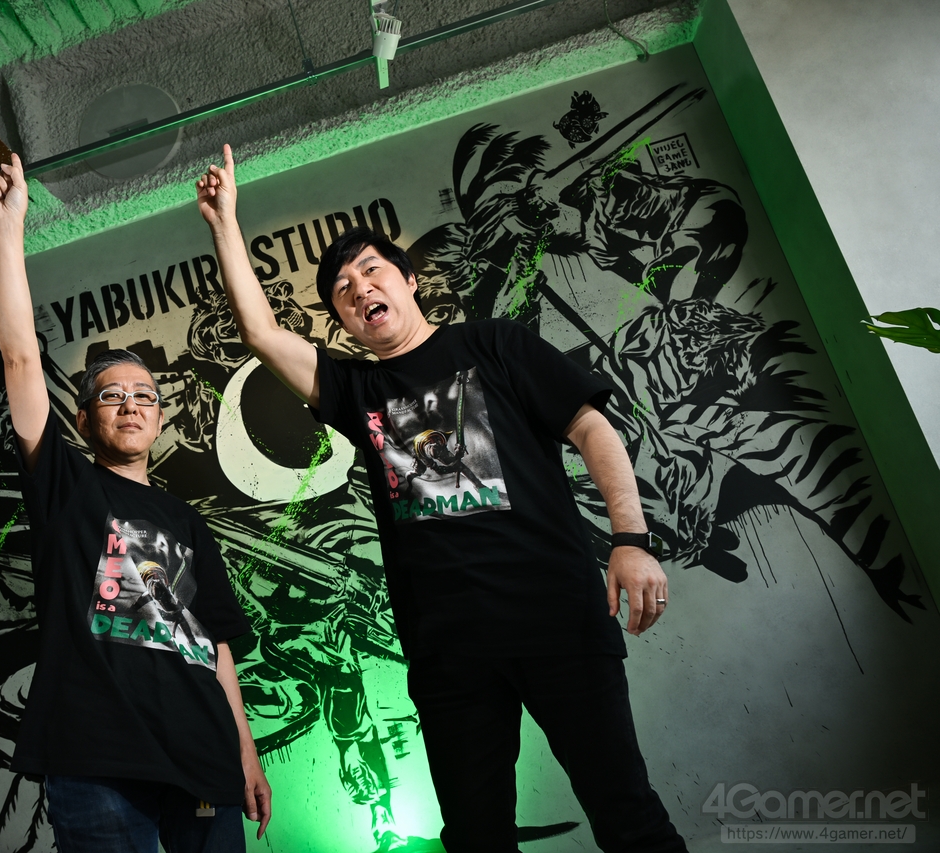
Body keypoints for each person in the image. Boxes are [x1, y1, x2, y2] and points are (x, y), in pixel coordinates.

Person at [196, 144, 686, 853]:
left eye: (371, 269)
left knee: (629, 818)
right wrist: (224, 224)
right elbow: (262, 334)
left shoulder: (496, 344)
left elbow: (591, 427)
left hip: (557, 622)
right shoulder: (357, 391)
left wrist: (631, 541)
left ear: (409, 279)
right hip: (450, 656)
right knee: (476, 840)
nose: (359, 287)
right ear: (343, 322)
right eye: (342, 289)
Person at [0, 153, 271, 853]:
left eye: (144, 395)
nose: (132, 403)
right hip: (99, 758)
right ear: (84, 420)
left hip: (204, 754)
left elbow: (216, 644)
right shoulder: (65, 485)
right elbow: (20, 358)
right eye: (111, 394)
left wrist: (245, 751)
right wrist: (9, 231)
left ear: (160, 418)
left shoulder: (187, 521)